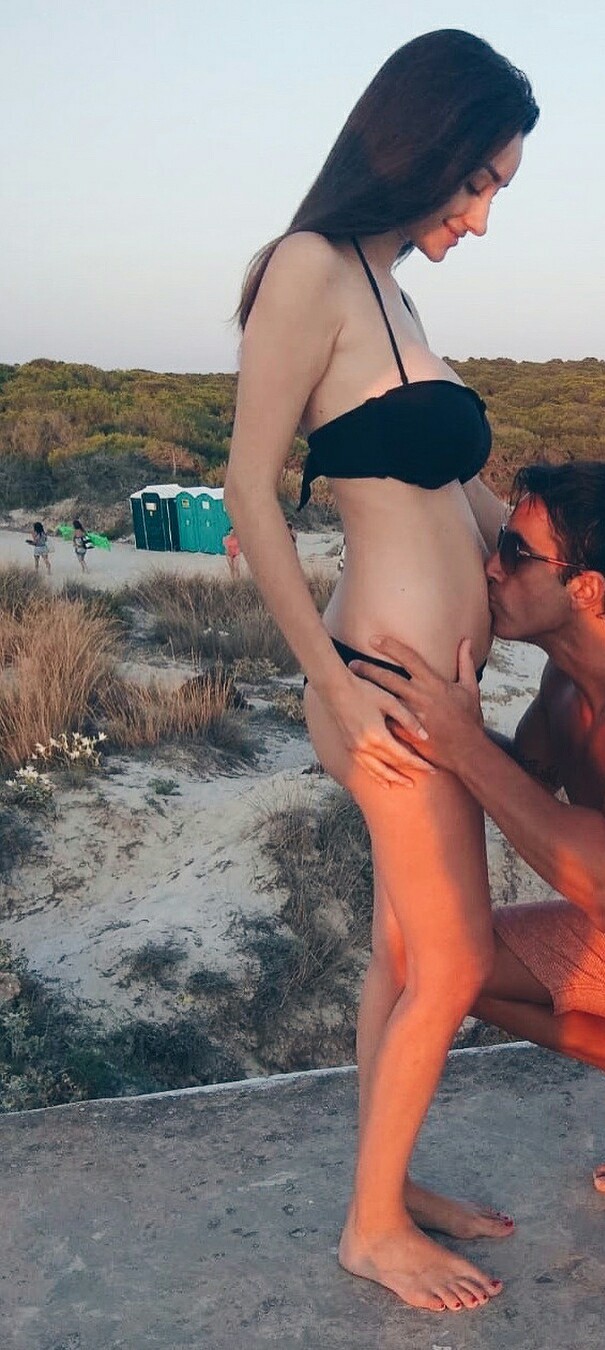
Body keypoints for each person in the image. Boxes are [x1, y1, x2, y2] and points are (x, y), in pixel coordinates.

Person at [225, 29, 538, 1313]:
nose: (478, 215)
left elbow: (461, 502)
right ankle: (369, 1230)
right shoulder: (307, 267)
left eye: (495, 191)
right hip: (377, 686)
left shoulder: (392, 288)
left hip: (429, 695)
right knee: (453, 960)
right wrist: (335, 684)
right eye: (475, 181)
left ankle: (388, 1181)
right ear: (421, 141)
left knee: (404, 954)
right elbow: (246, 491)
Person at [348, 461, 605, 1197]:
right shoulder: (563, 685)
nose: (491, 566)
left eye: (516, 554)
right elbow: (528, 779)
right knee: (433, 959)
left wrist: (462, 746)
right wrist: (426, 722)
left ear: (585, 589)